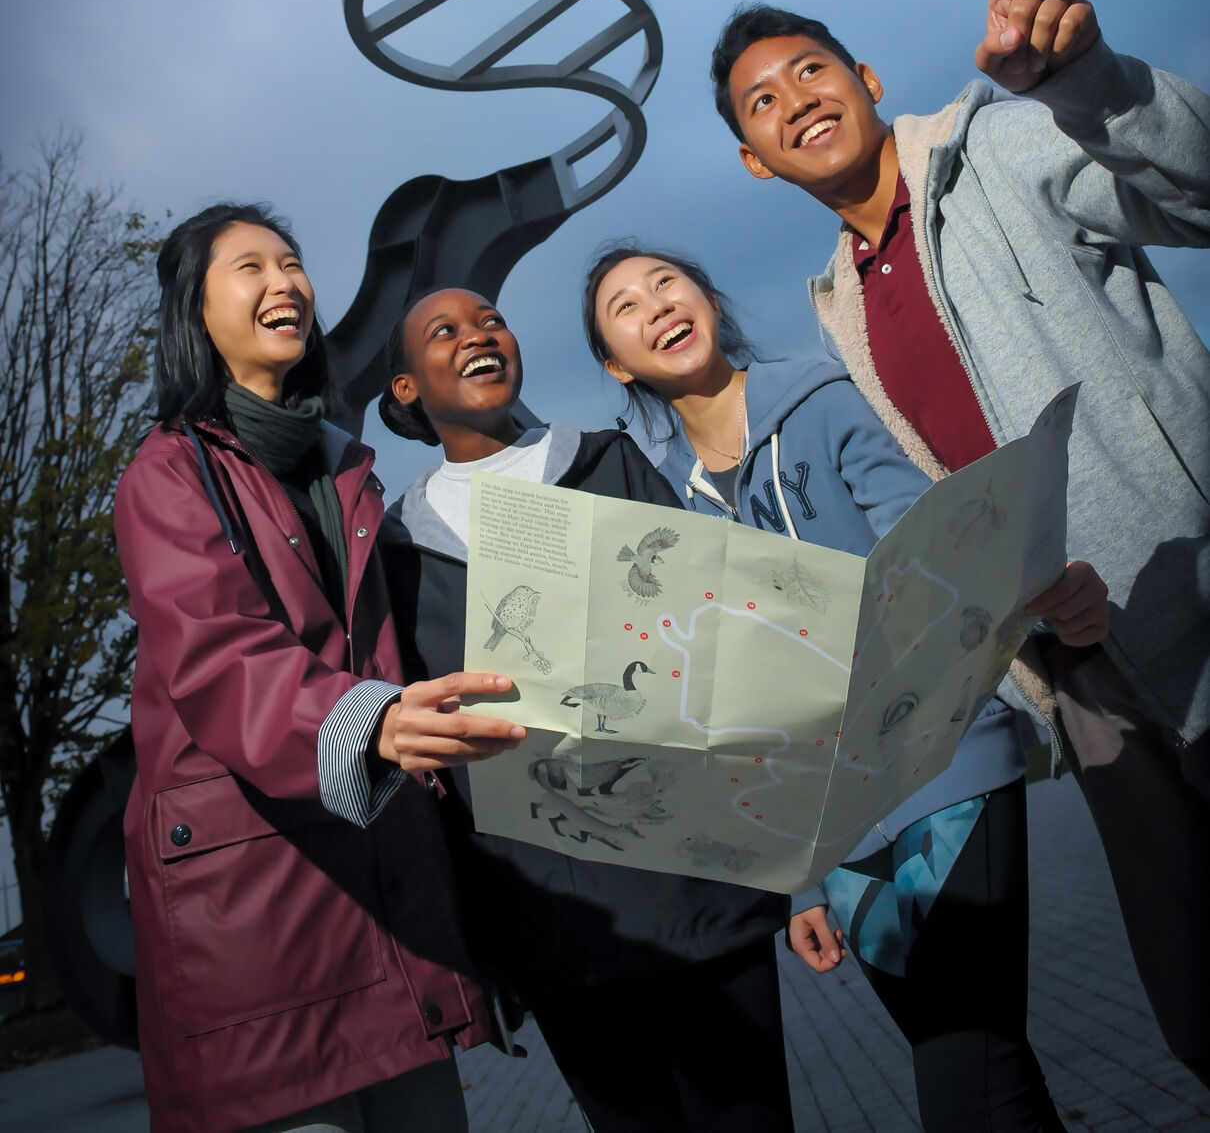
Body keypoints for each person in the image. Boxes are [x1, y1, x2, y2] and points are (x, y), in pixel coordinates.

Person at [708, 0, 1210, 1087]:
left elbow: (1195, 193)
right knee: (1194, 1009)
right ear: (750, 160)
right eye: (762, 103)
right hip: (1080, 683)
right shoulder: (833, 308)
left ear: (867, 80)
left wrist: (1095, 81)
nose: (795, 102)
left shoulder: (993, 143)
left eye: (810, 73)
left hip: (1189, 589)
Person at [587, 242, 1108, 1133]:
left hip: (941, 765)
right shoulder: (666, 507)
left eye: (666, 282)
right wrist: (799, 885)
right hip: (837, 834)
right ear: (614, 362)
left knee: (966, 1090)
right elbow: (735, 707)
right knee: (994, 1076)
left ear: (708, 296)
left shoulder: (820, 402)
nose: (656, 306)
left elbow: (940, 547)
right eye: (625, 307)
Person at [114, 203, 526, 1133]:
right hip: (257, 930)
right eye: (249, 266)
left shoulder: (349, 472)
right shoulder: (166, 473)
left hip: (389, 925)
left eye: (293, 261)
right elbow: (223, 660)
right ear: (196, 312)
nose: (285, 281)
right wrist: (368, 723)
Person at [378, 285, 795, 1133]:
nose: (477, 335)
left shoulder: (608, 463)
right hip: (551, 926)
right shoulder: (396, 549)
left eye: (491, 318)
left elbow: (717, 645)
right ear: (405, 390)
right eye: (444, 331)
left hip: (694, 893)